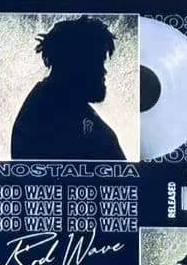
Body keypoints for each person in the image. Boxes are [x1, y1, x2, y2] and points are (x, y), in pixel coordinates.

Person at [10, 16, 126, 161]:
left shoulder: (59, 107)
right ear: (76, 64)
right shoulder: (49, 117)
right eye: (98, 63)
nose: (104, 72)